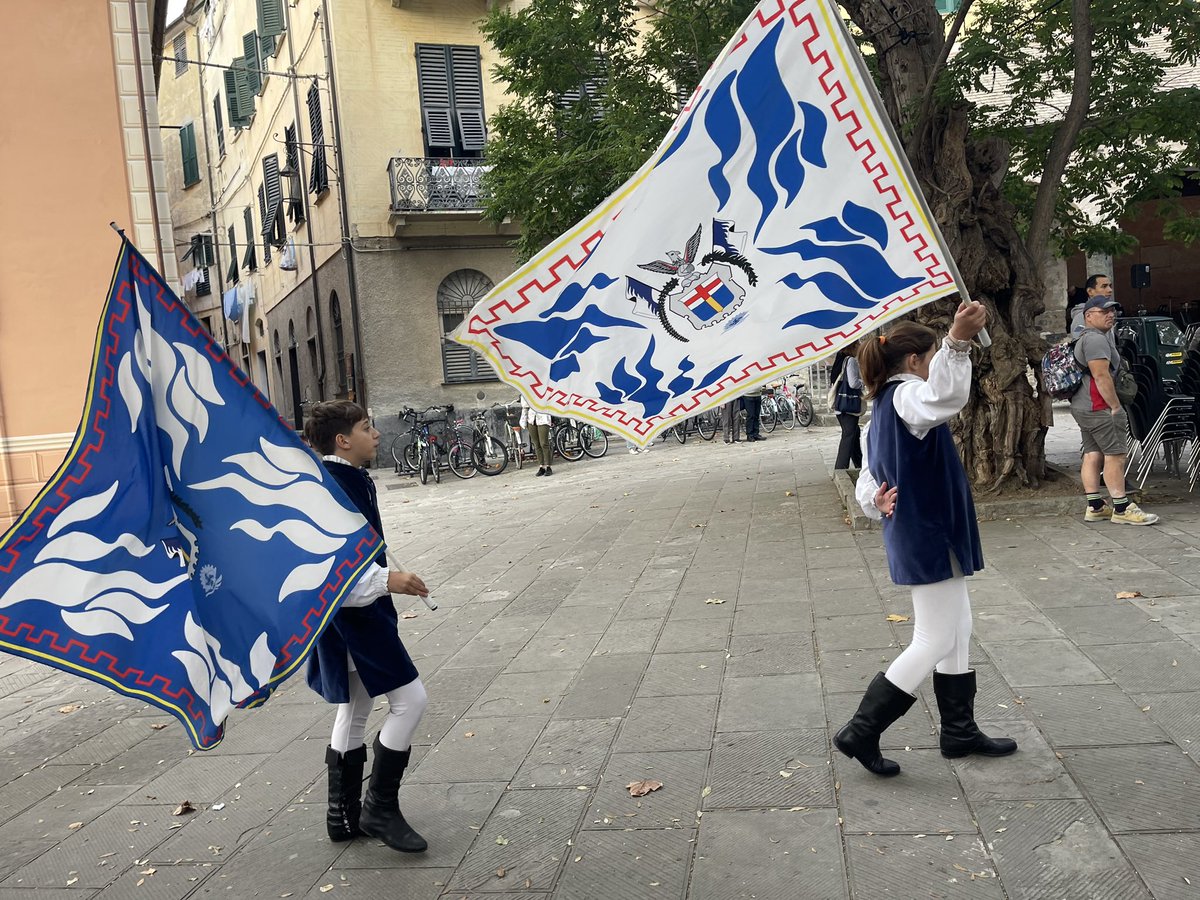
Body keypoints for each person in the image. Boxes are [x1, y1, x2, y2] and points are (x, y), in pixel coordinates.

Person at [835, 303, 1018, 778]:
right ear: (916, 360)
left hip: (929, 529)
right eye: (933, 352)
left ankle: (959, 731)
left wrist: (876, 498)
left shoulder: (886, 406)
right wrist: (957, 340)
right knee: (934, 636)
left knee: (957, 627)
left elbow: (870, 477)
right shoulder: (907, 395)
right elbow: (943, 398)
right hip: (929, 531)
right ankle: (862, 730)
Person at [302, 401, 432, 852]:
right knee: (411, 701)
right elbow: (332, 566)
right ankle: (379, 808)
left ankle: (341, 816)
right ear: (342, 440)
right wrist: (388, 580)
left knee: (354, 709)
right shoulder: (336, 485)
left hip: (352, 617)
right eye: (365, 427)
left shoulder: (345, 479)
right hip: (356, 616)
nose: (375, 433)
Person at [1070, 297, 1160, 525]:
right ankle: (1121, 507)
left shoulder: (1084, 337)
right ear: (1089, 316)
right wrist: (1115, 407)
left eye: (1113, 311)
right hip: (1099, 407)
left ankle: (1096, 506)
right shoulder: (1095, 341)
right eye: (1104, 311)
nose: (1111, 315)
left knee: (1092, 454)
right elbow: (1101, 376)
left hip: (1083, 405)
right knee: (1116, 455)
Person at [831, 341, 863, 470]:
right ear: (852, 347)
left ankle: (859, 463)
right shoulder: (850, 361)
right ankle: (840, 468)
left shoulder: (840, 361)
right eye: (858, 344)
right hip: (849, 405)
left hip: (841, 405)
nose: (860, 346)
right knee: (848, 436)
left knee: (854, 433)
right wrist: (865, 381)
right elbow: (853, 383)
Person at [520, 398, 553, 476]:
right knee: (536, 444)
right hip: (531, 418)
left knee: (544, 443)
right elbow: (524, 404)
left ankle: (548, 466)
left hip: (543, 416)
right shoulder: (526, 390)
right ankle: (541, 466)